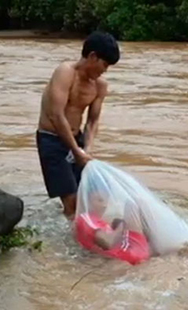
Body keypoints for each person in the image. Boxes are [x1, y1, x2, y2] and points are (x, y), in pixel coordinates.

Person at [36, 31, 120, 218]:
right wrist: (76, 151)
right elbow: (56, 115)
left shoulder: (100, 86)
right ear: (92, 56)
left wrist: (87, 149)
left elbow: (92, 120)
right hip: (51, 140)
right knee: (72, 202)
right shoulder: (65, 72)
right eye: (104, 64)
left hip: (77, 139)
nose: (105, 70)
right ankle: (72, 243)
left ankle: (86, 232)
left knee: (95, 198)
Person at [74, 191, 151, 265]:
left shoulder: (99, 221)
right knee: (133, 202)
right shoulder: (86, 218)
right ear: (88, 201)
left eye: (106, 200)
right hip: (128, 254)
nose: (104, 205)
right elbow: (107, 242)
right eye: (100, 200)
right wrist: (122, 225)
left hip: (133, 253)